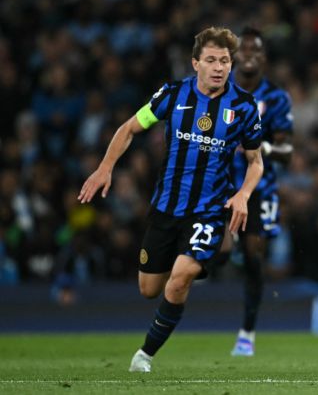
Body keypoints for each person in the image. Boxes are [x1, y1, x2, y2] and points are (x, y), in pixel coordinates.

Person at [77, 26, 263, 372]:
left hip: (208, 210)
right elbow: (130, 128)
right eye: (211, 60)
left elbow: (255, 161)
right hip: (166, 208)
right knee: (149, 289)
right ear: (195, 63)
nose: (219, 66)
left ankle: (143, 356)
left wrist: (243, 194)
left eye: (225, 60)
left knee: (181, 277)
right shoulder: (173, 95)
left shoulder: (244, 107)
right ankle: (209, 259)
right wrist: (105, 168)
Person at [227, 27, 293, 356]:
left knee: (255, 256)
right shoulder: (221, 91)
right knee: (221, 251)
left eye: (256, 51)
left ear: (263, 58)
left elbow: (287, 152)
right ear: (234, 56)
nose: (249, 56)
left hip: (260, 188)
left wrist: (257, 147)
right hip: (220, 184)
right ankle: (226, 250)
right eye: (244, 51)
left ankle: (247, 333)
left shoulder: (277, 98)